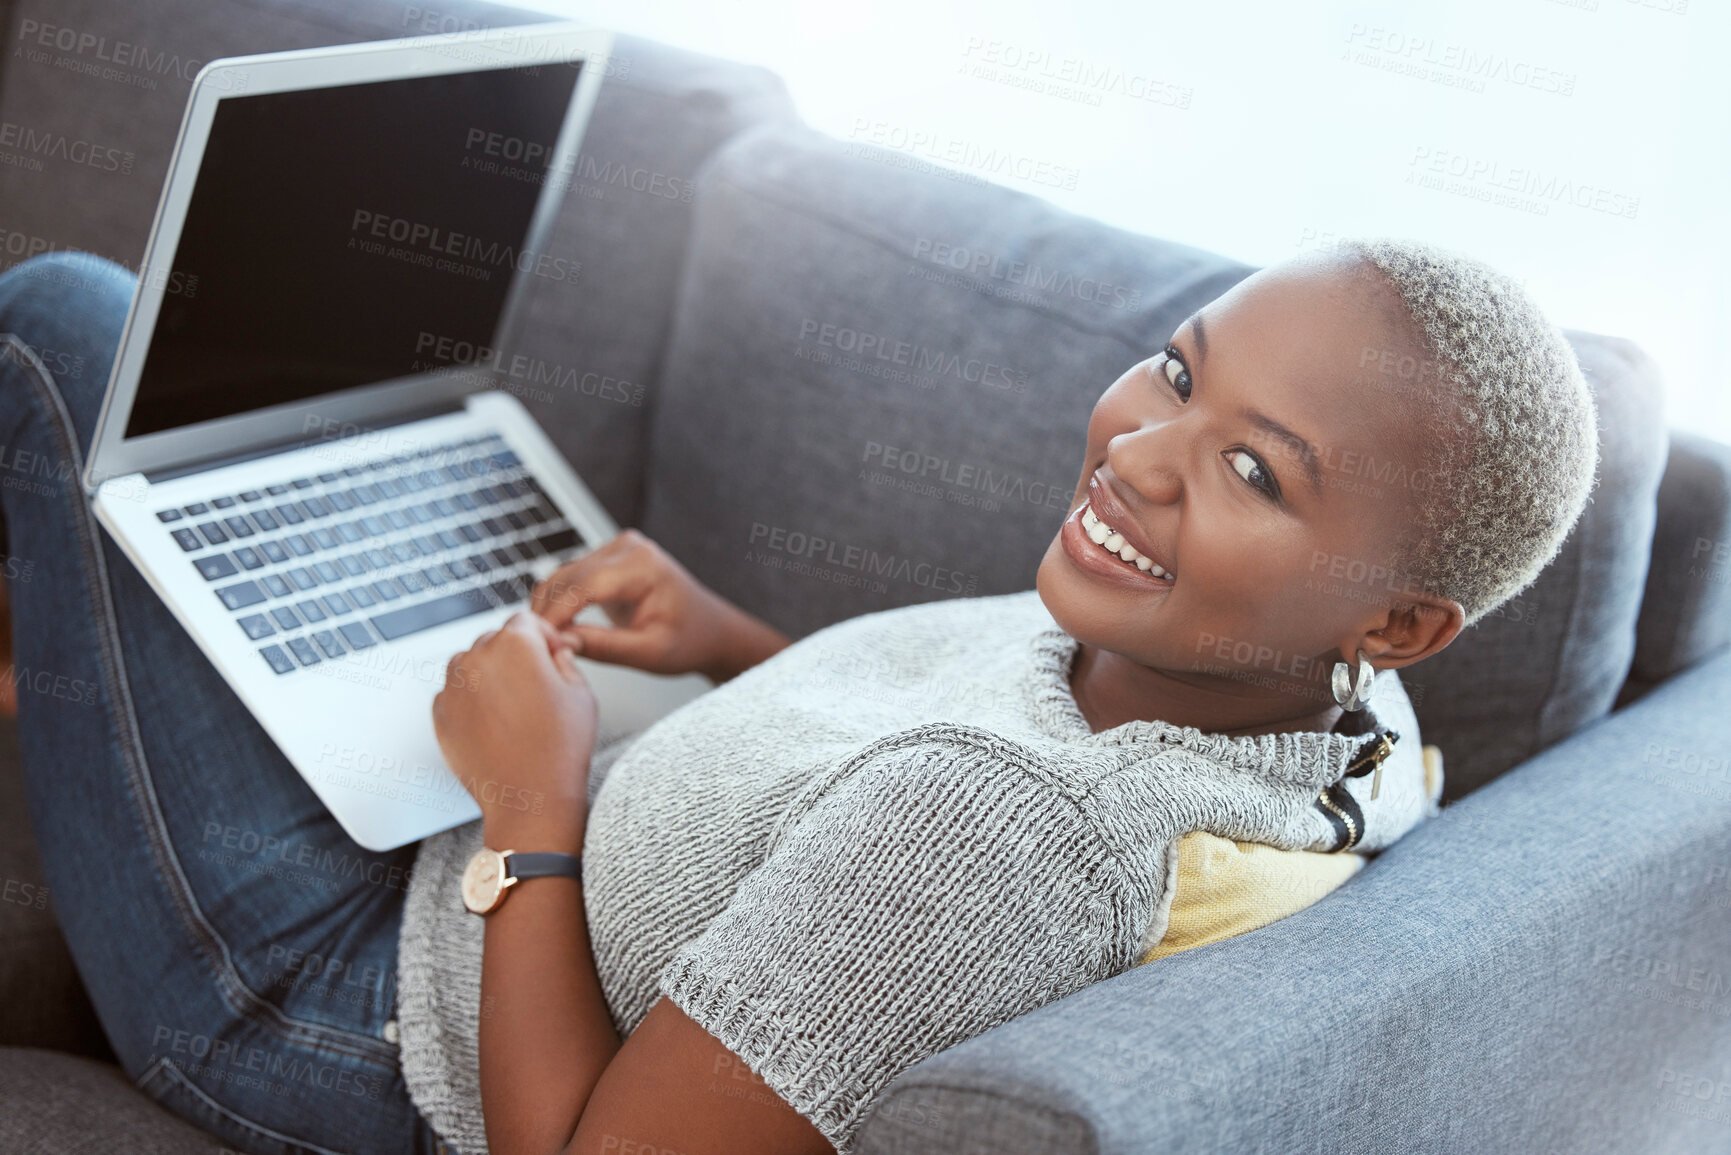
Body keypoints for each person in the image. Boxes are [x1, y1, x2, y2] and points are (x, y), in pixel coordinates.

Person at [0, 237, 1597, 1155]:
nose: (1139, 451)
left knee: (68, 326)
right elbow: (893, 808)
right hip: (512, 850)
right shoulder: (1338, 735)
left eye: (1254, 469)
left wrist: (531, 807)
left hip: (359, 1015)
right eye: (1180, 373)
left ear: (1402, 616)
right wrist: (721, 640)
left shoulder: (1011, 836)